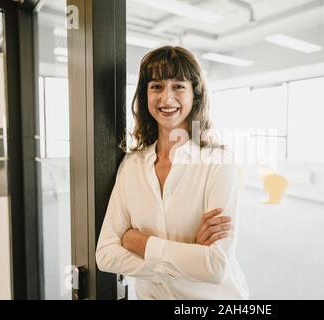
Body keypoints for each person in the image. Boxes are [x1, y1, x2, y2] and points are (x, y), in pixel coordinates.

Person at [95, 46, 249, 300]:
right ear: (145, 94)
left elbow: (215, 266)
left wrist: (138, 243)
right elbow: (106, 255)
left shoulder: (218, 162)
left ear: (195, 95)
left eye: (178, 86)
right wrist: (187, 258)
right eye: (156, 86)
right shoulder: (132, 165)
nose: (166, 98)